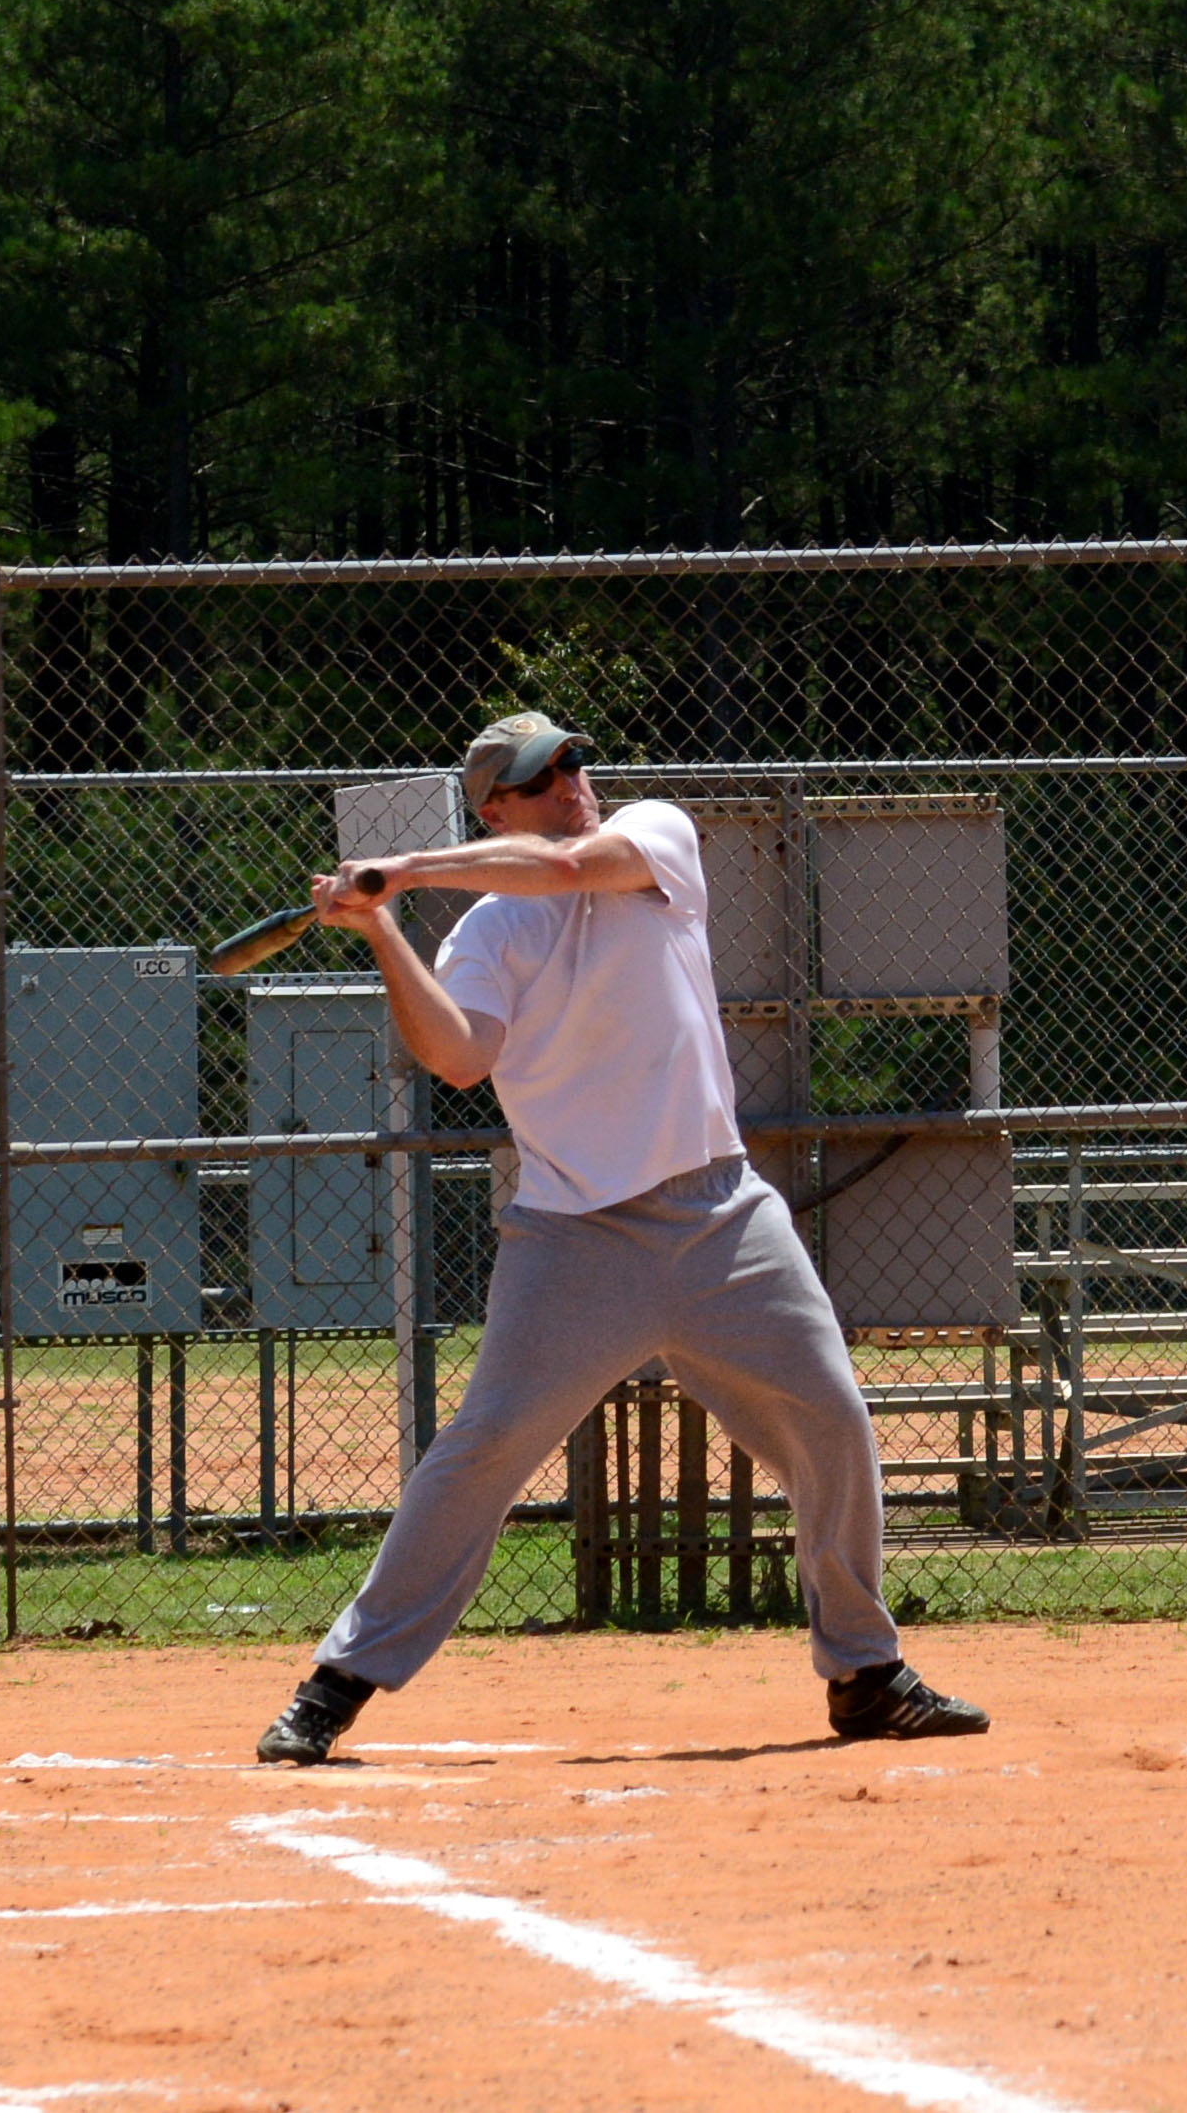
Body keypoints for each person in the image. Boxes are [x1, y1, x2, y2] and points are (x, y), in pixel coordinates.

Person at [255, 709, 988, 1763]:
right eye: (540, 777)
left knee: (830, 1420)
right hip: (573, 1240)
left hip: (721, 1216)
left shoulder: (655, 837)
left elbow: (568, 868)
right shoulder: (486, 936)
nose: (571, 782)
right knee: (485, 1448)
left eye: (572, 762)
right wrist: (381, 932)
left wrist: (403, 870)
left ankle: (865, 1674)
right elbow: (456, 1056)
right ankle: (339, 1683)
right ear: (493, 809)